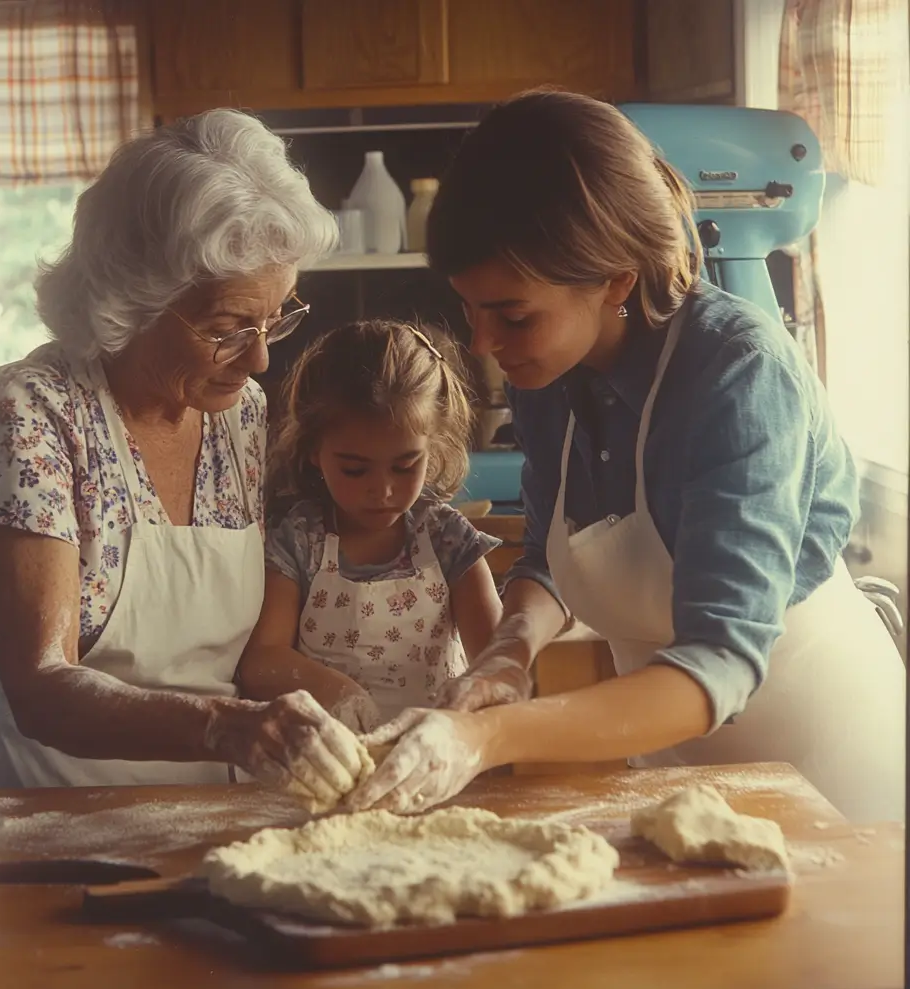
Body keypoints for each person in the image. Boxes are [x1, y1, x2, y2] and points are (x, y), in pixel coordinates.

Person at [343, 88, 906, 822]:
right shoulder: (549, 372)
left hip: (830, 767)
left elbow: (721, 657)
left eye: (512, 315)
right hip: (675, 768)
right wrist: (510, 651)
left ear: (615, 280)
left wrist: (483, 737)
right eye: (470, 311)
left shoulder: (737, 374)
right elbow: (549, 561)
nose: (483, 345)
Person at [0, 108, 368, 803]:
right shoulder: (32, 413)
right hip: (38, 816)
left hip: (202, 812)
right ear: (132, 301)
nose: (260, 358)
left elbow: (245, 657)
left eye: (277, 317)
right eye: (229, 328)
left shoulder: (240, 416)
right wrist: (230, 727)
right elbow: (42, 688)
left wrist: (350, 700)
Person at [237, 320, 503, 732]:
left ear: (433, 449)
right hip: (331, 757)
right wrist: (338, 691)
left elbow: (497, 663)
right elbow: (261, 660)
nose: (382, 491)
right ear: (313, 451)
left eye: (405, 466)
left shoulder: (448, 541)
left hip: (437, 756)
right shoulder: (300, 540)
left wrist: (467, 716)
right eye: (354, 469)